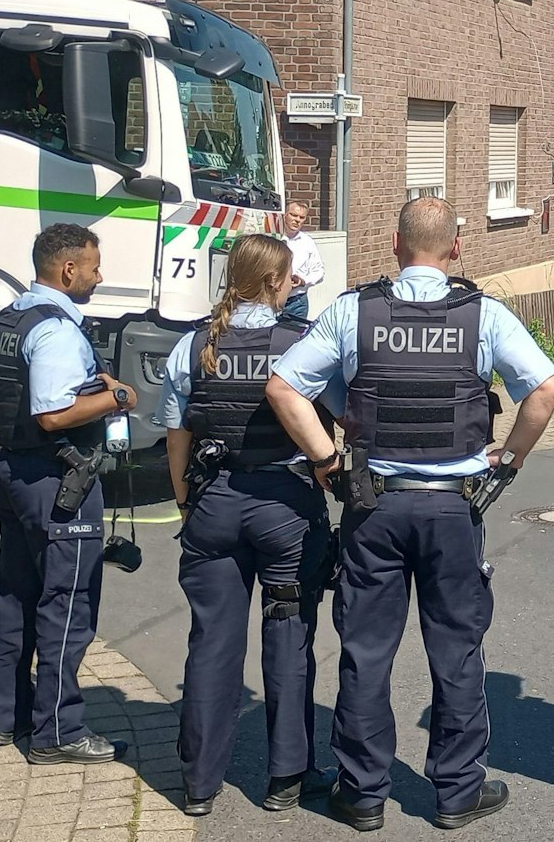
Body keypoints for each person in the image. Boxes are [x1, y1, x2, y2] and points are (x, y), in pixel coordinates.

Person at [265, 196, 554, 832]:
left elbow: (283, 387)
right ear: (456, 247)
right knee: (457, 650)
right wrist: (508, 460)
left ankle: (361, 793)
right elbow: (547, 389)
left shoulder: (353, 310)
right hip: (453, 508)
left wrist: (327, 461)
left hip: (374, 507)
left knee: (366, 650)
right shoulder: (483, 315)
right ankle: (457, 792)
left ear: (395, 245)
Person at [162, 234, 338, 817]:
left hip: (214, 503)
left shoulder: (194, 344)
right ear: (272, 282)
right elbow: (338, 414)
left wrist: (186, 504)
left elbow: (177, 436)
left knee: (211, 640)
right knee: (288, 635)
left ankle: (198, 783)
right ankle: (288, 776)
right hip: (284, 507)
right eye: (289, 279)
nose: (293, 287)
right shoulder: (301, 342)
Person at [0, 223, 137, 764]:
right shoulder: (57, 330)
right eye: (94, 266)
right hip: (59, 481)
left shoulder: (3, 321)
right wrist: (116, 397)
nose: (99, 275)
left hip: (12, 472)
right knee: (68, 604)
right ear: (69, 270)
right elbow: (52, 414)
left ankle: (6, 718)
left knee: (15, 596)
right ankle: (58, 732)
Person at [283, 201, 325, 320]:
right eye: (293, 215)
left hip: (297, 303)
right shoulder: (273, 238)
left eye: (302, 217)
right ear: (285, 215)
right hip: (270, 302)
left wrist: (303, 281)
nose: (297, 220)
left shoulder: (307, 242)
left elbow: (319, 271)